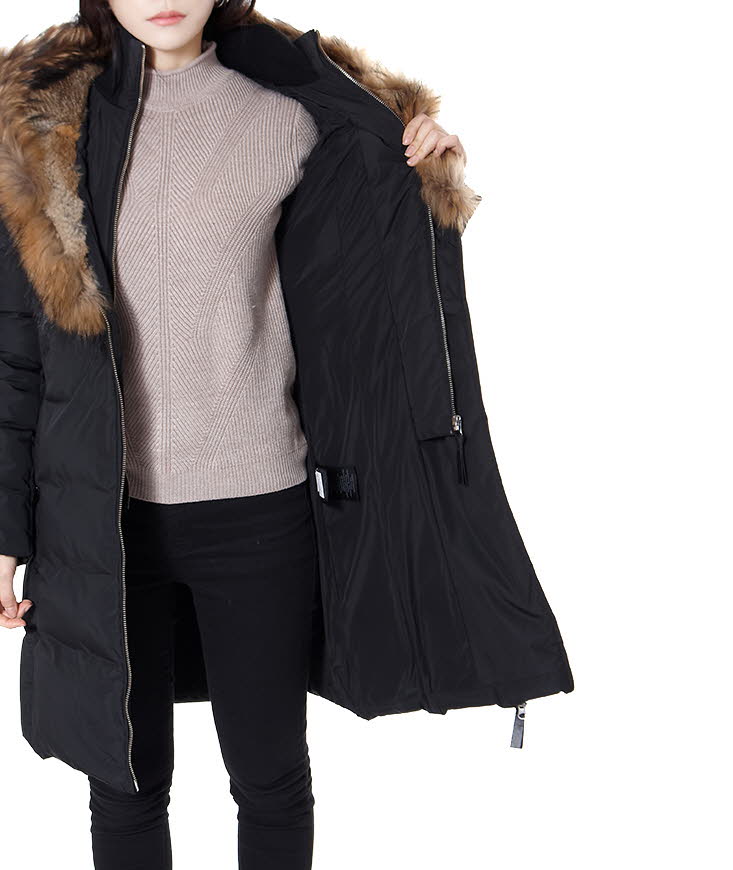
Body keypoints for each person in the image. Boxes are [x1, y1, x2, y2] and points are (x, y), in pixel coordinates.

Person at [0, 2, 575, 869]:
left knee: (268, 777)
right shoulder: (48, 131)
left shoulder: (292, 112)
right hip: (101, 522)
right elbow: (15, 355)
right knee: (124, 782)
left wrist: (425, 169)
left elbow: (374, 274)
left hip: (260, 512)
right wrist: (6, 531)